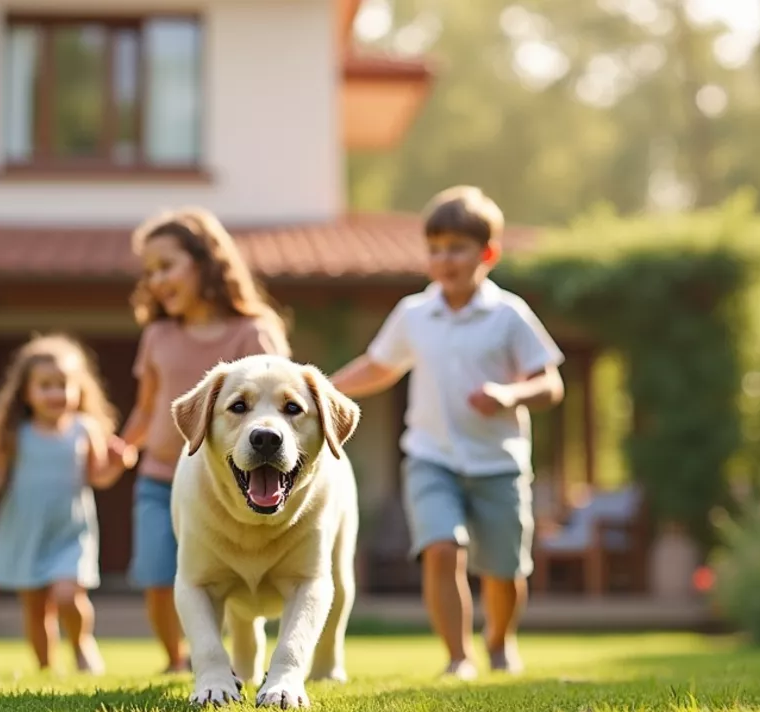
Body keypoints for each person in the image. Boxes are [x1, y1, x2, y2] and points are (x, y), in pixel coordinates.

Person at [329, 185, 565, 679]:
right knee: (440, 551)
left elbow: (550, 384)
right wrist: (321, 389)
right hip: (430, 457)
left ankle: (499, 642)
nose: (444, 259)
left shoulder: (509, 315)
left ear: (487, 254)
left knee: (503, 571)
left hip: (497, 462)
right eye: (434, 248)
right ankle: (458, 658)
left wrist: (510, 395)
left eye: (456, 248)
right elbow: (378, 366)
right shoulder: (413, 314)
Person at [116, 207, 292, 674]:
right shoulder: (157, 335)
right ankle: (178, 659)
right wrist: (124, 446)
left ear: (205, 262)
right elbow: (147, 407)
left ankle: (219, 654)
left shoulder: (253, 331)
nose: (156, 280)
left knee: (220, 575)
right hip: (159, 477)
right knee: (157, 573)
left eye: (166, 266)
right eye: (149, 271)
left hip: (225, 486)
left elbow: (279, 400)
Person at [0, 334, 137, 675]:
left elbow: (98, 477)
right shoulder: (16, 433)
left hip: (70, 529)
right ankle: (45, 667)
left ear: (79, 390)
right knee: (36, 607)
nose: (56, 393)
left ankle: (81, 644)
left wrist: (118, 463)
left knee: (68, 595)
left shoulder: (85, 429)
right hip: (27, 530)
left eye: (63, 385)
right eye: (45, 385)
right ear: (26, 392)